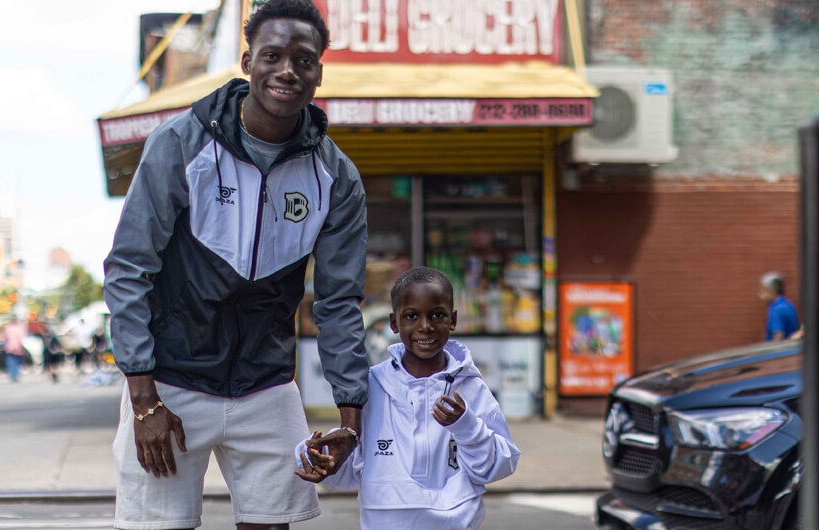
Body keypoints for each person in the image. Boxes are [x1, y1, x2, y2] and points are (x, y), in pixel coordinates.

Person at [102, 1, 370, 528]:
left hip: (267, 387)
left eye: (304, 59)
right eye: (272, 55)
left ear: (319, 71)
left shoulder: (336, 176)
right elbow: (129, 268)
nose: (288, 70)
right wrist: (142, 398)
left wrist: (350, 419)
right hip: (171, 383)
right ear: (248, 62)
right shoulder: (180, 142)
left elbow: (339, 304)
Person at [295, 267, 520, 529]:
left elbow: (498, 466)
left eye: (437, 315)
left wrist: (466, 427)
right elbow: (347, 470)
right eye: (411, 316)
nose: (425, 326)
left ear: (453, 319)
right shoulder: (371, 386)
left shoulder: (470, 388)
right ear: (394, 323)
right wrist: (316, 455)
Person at [758, 272, 799, 341]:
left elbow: (778, 337)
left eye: (763, 290)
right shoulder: (789, 305)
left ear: (772, 291)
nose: (760, 294)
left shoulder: (776, 309)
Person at [1, 317, 27, 383]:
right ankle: (16, 375)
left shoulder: (7, 328)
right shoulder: (19, 329)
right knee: (17, 363)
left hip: (9, 348)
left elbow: (4, 338)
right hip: (18, 348)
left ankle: (12, 375)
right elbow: (22, 339)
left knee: (10, 362)